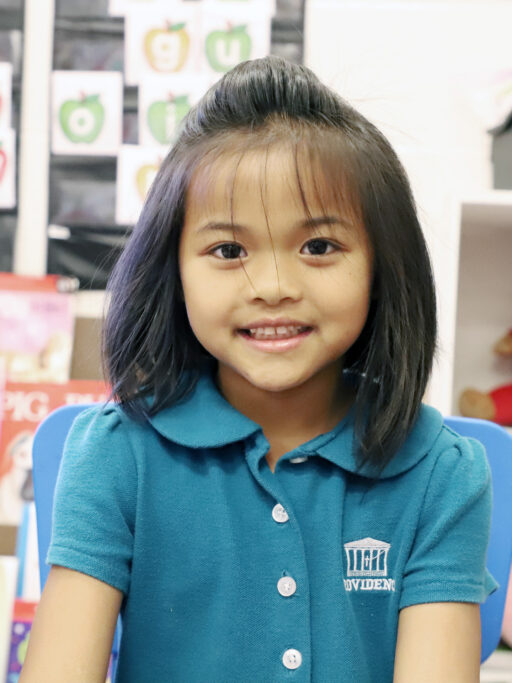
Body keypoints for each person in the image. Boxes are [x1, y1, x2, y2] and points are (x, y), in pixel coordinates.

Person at [20, 56, 498, 682]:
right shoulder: (115, 455)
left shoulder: (441, 474)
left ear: (383, 266)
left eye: (319, 247)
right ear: (175, 270)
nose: (272, 287)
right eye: (228, 250)